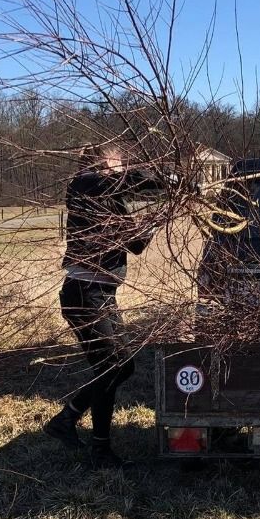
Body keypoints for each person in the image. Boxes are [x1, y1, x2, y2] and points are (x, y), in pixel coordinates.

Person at [43, 144, 174, 468]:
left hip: (102, 294)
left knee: (122, 366)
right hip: (84, 294)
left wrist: (158, 216)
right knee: (110, 366)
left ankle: (66, 419)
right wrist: (168, 179)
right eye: (116, 167)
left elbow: (136, 244)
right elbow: (123, 181)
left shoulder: (111, 202)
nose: (121, 172)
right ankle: (99, 448)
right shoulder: (83, 186)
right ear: (99, 167)